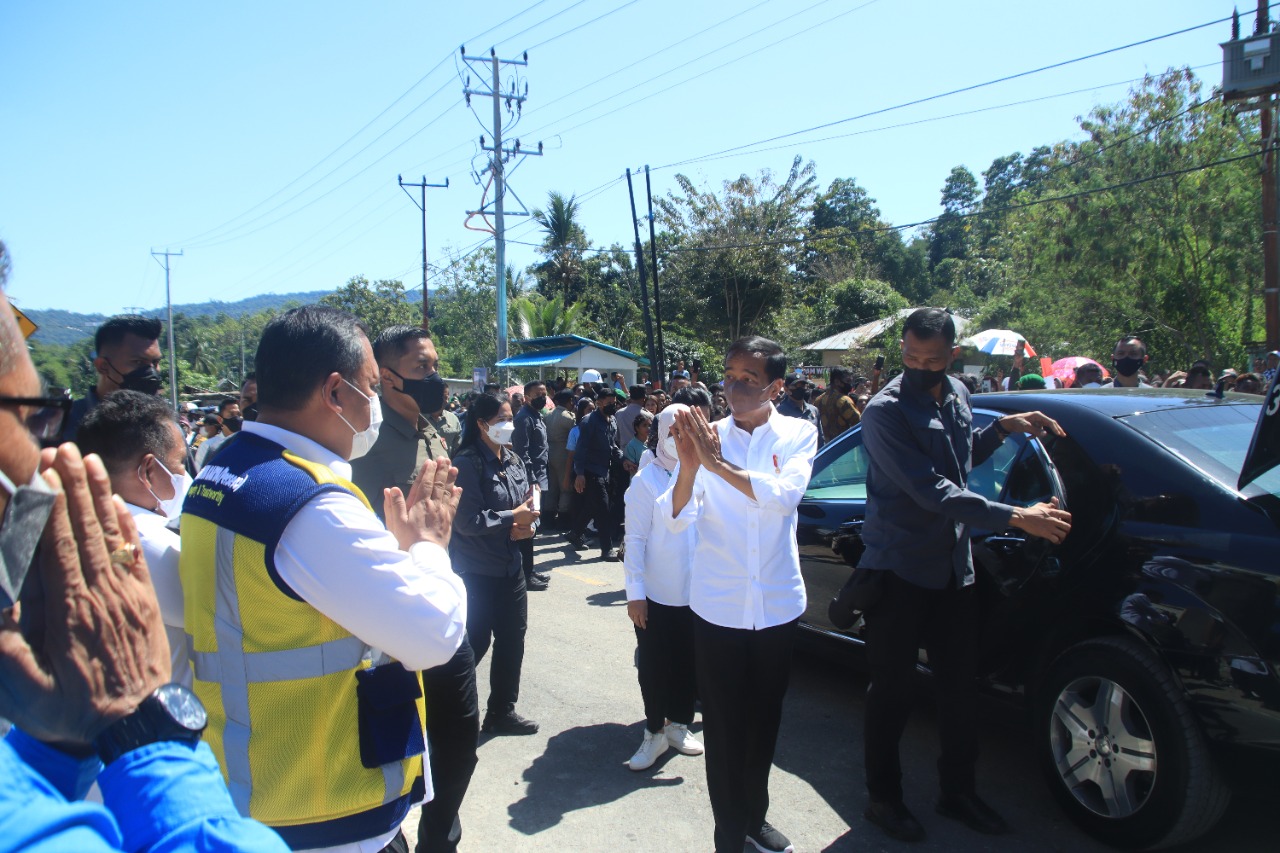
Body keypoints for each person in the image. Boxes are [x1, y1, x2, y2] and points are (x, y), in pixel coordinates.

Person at [0, 255, 288, 851]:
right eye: (35, 425)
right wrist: (145, 730)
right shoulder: (135, 546)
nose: (42, 471)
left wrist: (58, 745)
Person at [179, 306, 468, 852]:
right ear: (336, 393)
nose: (376, 403)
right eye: (370, 387)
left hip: (257, 790)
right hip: (325, 811)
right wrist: (427, 548)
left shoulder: (222, 472)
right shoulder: (308, 505)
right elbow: (434, 633)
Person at [855, 308, 1072, 843]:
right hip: (900, 569)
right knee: (892, 692)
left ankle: (958, 793)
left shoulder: (955, 391)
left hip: (955, 567)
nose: (921, 367)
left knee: (959, 690)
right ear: (902, 350)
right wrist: (1020, 517)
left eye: (933, 359)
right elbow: (931, 490)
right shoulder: (883, 412)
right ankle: (883, 799)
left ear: (953, 355)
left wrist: (1002, 427)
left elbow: (957, 462)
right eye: (911, 357)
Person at [658, 335, 817, 853]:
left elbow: (782, 497)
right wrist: (689, 465)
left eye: (749, 379)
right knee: (725, 729)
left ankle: (754, 816)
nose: (734, 387)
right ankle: (728, 832)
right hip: (719, 607)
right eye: (729, 375)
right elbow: (675, 518)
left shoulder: (798, 433)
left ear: (775, 385)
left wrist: (716, 464)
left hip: (776, 604)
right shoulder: (708, 436)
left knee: (764, 721)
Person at [350, 325, 479, 853]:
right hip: (386, 618)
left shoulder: (432, 429)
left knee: (459, 740)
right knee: (397, 745)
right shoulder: (362, 444)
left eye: (435, 364)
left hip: (437, 598)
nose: (435, 377)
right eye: (422, 368)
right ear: (386, 376)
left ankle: (440, 834)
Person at [75, 391, 194, 688]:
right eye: (179, 463)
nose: (185, 474)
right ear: (148, 471)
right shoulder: (152, 546)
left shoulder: (79, 528)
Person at [450, 394, 541, 736]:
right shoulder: (468, 463)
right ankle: (444, 708)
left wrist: (529, 525)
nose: (509, 424)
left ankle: (501, 711)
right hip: (476, 572)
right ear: (481, 424)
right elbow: (466, 522)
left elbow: (530, 505)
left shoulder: (514, 459)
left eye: (510, 417)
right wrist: (510, 519)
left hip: (510, 568)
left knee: (512, 639)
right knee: (473, 642)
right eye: (502, 418)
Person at [623, 403, 703, 772]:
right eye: (673, 433)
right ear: (659, 435)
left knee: (688, 663)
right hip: (655, 596)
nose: (680, 440)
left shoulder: (704, 474)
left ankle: (680, 725)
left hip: (697, 594)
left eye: (686, 432)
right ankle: (654, 732)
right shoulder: (646, 480)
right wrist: (635, 594)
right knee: (654, 667)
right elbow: (635, 539)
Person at [64, 314, 164, 442]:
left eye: (155, 363)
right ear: (102, 366)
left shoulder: (165, 426)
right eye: (138, 362)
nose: (151, 372)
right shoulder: (62, 425)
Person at [572, 385, 624, 561]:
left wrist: (625, 460)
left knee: (592, 506)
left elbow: (612, 446)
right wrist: (579, 474)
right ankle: (606, 549)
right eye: (608, 403)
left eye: (614, 403)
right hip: (590, 470)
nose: (612, 406)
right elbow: (581, 449)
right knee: (603, 508)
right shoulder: (588, 421)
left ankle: (575, 533)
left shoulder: (612, 420)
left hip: (604, 469)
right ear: (599, 403)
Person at [511, 380, 551, 592]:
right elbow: (522, 452)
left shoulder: (537, 416)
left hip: (539, 477)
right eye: (537, 394)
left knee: (533, 526)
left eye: (543, 393)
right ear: (526, 396)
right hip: (531, 479)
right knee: (528, 525)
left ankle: (529, 570)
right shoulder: (524, 418)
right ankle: (525, 575)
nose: (541, 397)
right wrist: (532, 480)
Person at [544, 389, 576, 530]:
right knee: (565, 487)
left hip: (549, 452)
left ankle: (547, 518)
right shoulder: (569, 418)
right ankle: (563, 519)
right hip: (564, 454)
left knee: (552, 487)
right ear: (569, 401)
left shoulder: (548, 415)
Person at [815, 367, 859, 446]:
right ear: (837, 382)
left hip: (824, 449)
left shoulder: (818, 400)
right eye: (848, 381)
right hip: (843, 448)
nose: (850, 384)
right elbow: (859, 424)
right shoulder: (843, 400)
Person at [193, 397, 241, 470]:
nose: (236, 418)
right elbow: (199, 472)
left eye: (238, 414)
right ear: (220, 419)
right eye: (231, 414)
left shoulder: (247, 443)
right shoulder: (208, 446)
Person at [615, 384, 648, 450]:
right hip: (643, 453)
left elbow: (616, 437)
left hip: (624, 452)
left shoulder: (619, 413)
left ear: (630, 396)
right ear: (644, 397)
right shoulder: (648, 415)